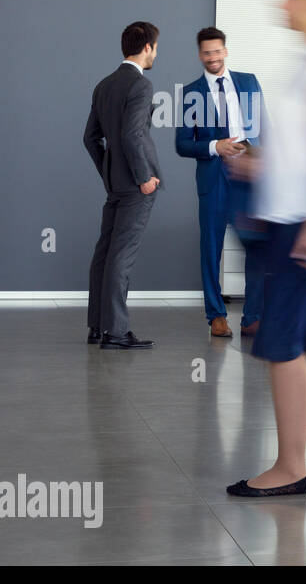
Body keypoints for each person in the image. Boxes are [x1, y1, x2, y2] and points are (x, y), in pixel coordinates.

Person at [227, 0, 306, 497]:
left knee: (282, 345)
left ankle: (291, 467)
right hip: (291, 223)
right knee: (298, 348)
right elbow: (301, 152)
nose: (283, 4)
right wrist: (259, 167)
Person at [175, 27, 269, 338]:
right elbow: (182, 144)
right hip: (214, 177)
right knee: (211, 248)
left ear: (225, 51)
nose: (212, 57)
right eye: (206, 52)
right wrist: (216, 146)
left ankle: (252, 316)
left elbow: (265, 129)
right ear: (200, 55)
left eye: (217, 51)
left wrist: (260, 159)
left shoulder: (249, 82)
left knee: (256, 247)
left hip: (249, 177)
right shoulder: (191, 93)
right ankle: (216, 316)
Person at [82, 21, 164, 350]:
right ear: (147, 48)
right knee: (121, 256)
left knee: (105, 253)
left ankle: (97, 327)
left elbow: (90, 139)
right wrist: (144, 178)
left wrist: (108, 172)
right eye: (156, 47)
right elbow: (132, 136)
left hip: (116, 184)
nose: (156, 52)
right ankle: (115, 332)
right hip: (135, 185)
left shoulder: (104, 85)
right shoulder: (141, 86)